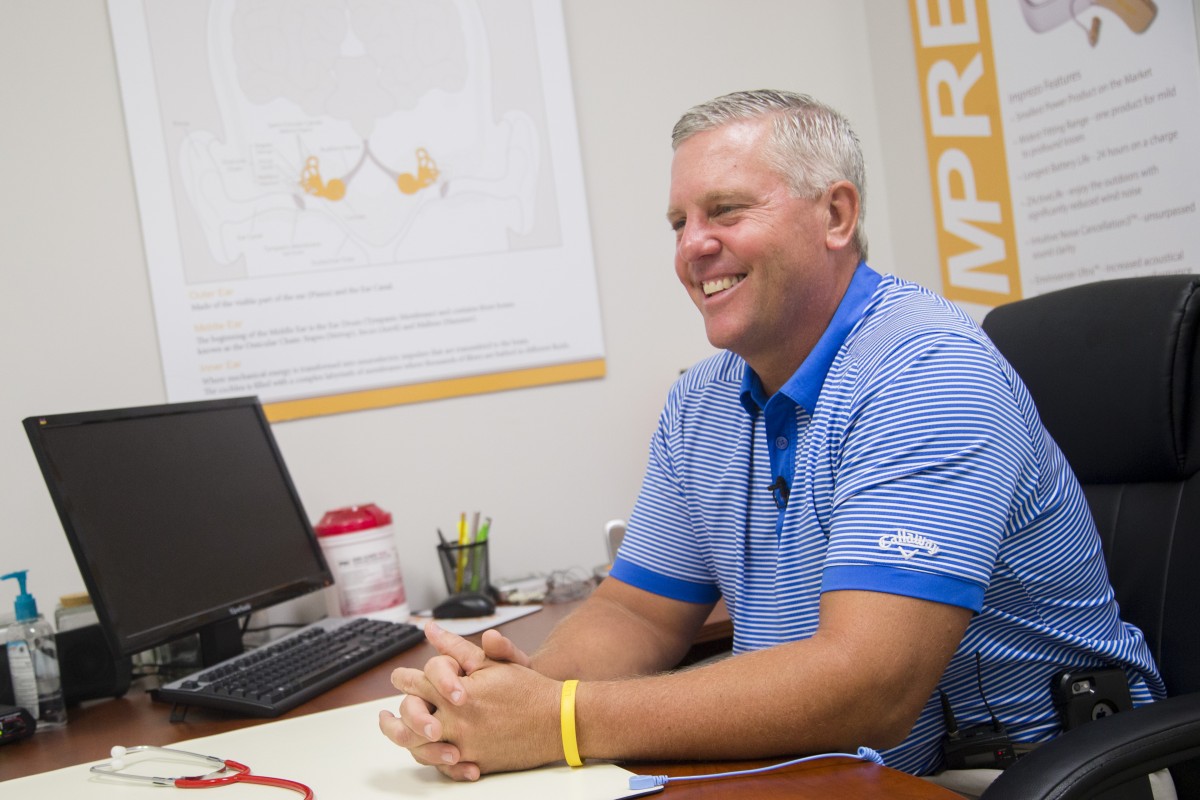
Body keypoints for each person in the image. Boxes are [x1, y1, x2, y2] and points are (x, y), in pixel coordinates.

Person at [378, 90, 1164, 787]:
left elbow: (869, 685)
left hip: (1021, 773)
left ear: (836, 216)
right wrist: (515, 691)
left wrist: (561, 721)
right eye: (679, 222)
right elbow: (638, 615)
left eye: (725, 211)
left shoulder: (927, 374)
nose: (691, 247)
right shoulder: (701, 401)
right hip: (831, 770)